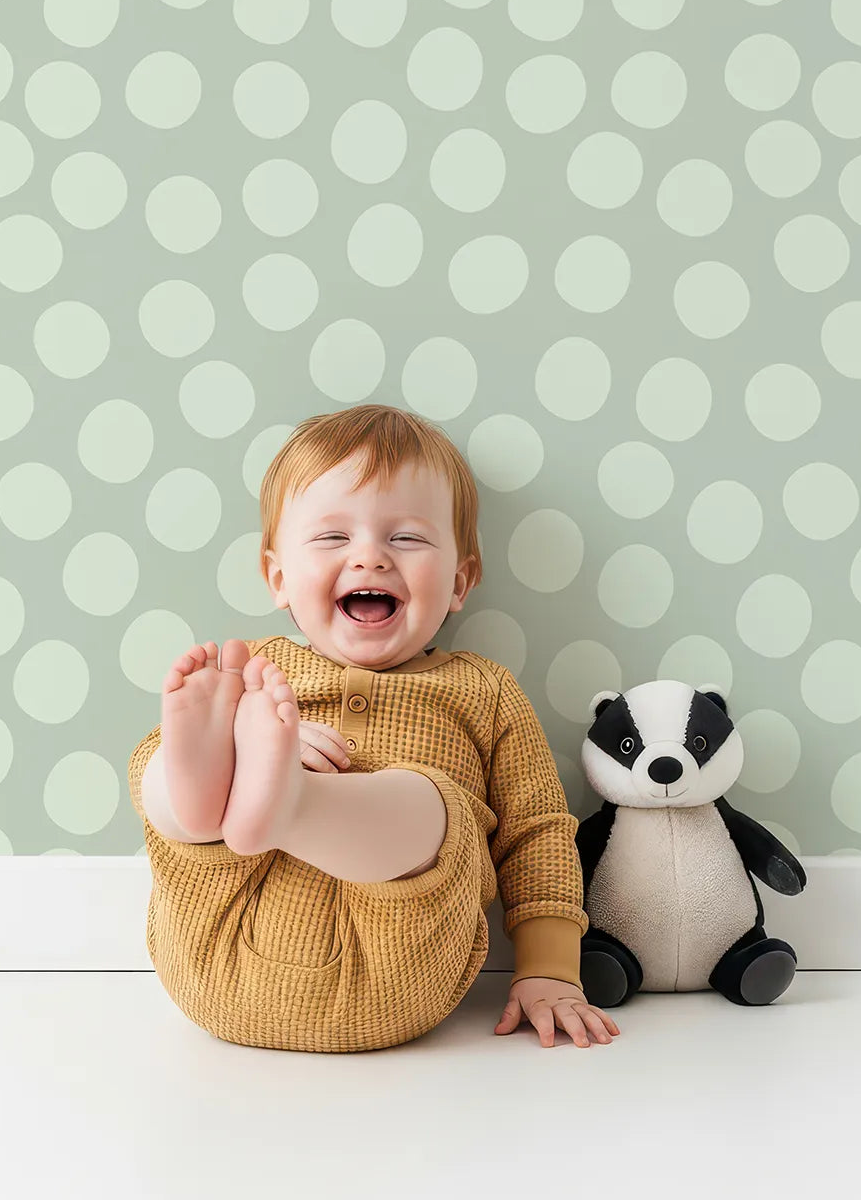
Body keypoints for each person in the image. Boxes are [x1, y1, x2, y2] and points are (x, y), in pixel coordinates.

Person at [127, 404, 622, 1054]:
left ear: (459, 581)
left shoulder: (481, 691)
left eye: (407, 539)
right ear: (277, 577)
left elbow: (538, 833)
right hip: (218, 941)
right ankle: (212, 794)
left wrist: (550, 967)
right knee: (162, 769)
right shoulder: (253, 676)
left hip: (396, 968)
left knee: (428, 803)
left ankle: (287, 803)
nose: (369, 559)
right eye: (333, 538)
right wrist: (240, 749)